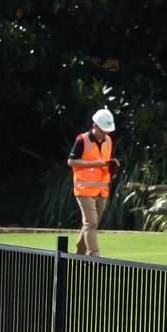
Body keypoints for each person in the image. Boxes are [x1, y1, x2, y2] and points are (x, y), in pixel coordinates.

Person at [68, 108, 119, 256]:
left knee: (91, 223)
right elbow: (71, 161)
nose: (105, 133)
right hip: (83, 189)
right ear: (94, 125)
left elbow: (105, 161)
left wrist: (113, 164)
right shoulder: (82, 140)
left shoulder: (108, 140)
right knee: (91, 222)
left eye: (107, 131)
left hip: (101, 190)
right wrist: (95, 164)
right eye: (103, 130)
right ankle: (94, 255)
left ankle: (78, 254)